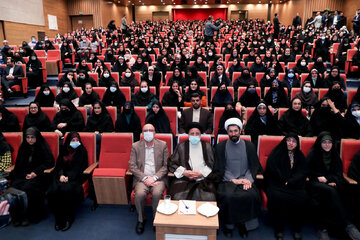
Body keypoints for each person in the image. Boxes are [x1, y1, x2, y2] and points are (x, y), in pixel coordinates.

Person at [214, 118, 262, 238]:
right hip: (227, 180)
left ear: (240, 131)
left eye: (236, 131)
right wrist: (233, 180)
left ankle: (244, 224)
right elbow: (219, 167)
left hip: (246, 179)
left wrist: (247, 180)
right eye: (231, 131)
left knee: (250, 195)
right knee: (229, 196)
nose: (233, 134)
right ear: (227, 132)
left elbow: (254, 165)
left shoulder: (249, 145)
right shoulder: (220, 146)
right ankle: (228, 225)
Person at [307, 132, 360, 240]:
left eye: (329, 142)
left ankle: (327, 228)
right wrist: (324, 180)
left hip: (330, 184)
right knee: (330, 191)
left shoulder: (334, 155)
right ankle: (347, 224)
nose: (327, 145)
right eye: (324, 142)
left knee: (337, 191)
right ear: (319, 143)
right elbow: (308, 172)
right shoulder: (313, 154)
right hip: (314, 185)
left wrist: (331, 180)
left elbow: (338, 173)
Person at [264, 134, 313, 240]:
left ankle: (296, 229)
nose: (291, 143)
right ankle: (279, 229)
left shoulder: (299, 155)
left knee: (303, 197)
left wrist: (291, 181)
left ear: (297, 144)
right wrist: (284, 180)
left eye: (294, 141)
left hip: (293, 185)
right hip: (277, 184)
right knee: (278, 197)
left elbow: (303, 172)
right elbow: (272, 169)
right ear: (284, 141)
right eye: (288, 140)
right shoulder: (276, 153)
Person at [129, 124, 168, 234]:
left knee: (156, 194)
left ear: (155, 133)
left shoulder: (163, 145)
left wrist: (154, 177)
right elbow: (132, 165)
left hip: (158, 178)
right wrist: (145, 178)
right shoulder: (136, 146)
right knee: (140, 194)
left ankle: (156, 219)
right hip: (142, 178)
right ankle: (141, 219)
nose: (148, 132)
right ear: (142, 133)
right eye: (146, 130)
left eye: (151, 130)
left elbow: (166, 166)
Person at [10, 127, 54, 225]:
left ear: (37, 137)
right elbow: (18, 164)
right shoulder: (23, 147)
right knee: (14, 187)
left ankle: (31, 216)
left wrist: (35, 173)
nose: (30, 140)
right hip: (24, 174)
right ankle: (18, 216)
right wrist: (24, 174)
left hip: (39, 175)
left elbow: (49, 162)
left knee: (28, 188)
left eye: (32, 137)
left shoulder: (42, 146)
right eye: (28, 137)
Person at [47, 132, 88, 232]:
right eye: (73, 140)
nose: (75, 142)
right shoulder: (64, 150)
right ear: (68, 141)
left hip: (76, 177)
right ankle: (58, 218)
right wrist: (61, 175)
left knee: (66, 189)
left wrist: (68, 177)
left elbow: (80, 168)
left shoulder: (82, 151)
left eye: (77, 140)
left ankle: (69, 218)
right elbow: (59, 165)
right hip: (62, 176)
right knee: (54, 189)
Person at [168, 122, 216, 200]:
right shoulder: (181, 146)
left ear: (200, 135)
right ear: (188, 135)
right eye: (192, 133)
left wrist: (202, 173)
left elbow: (212, 163)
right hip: (185, 178)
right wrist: (184, 172)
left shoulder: (207, 146)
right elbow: (172, 163)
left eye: (197, 133)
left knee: (210, 197)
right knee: (178, 196)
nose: (194, 136)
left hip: (203, 179)